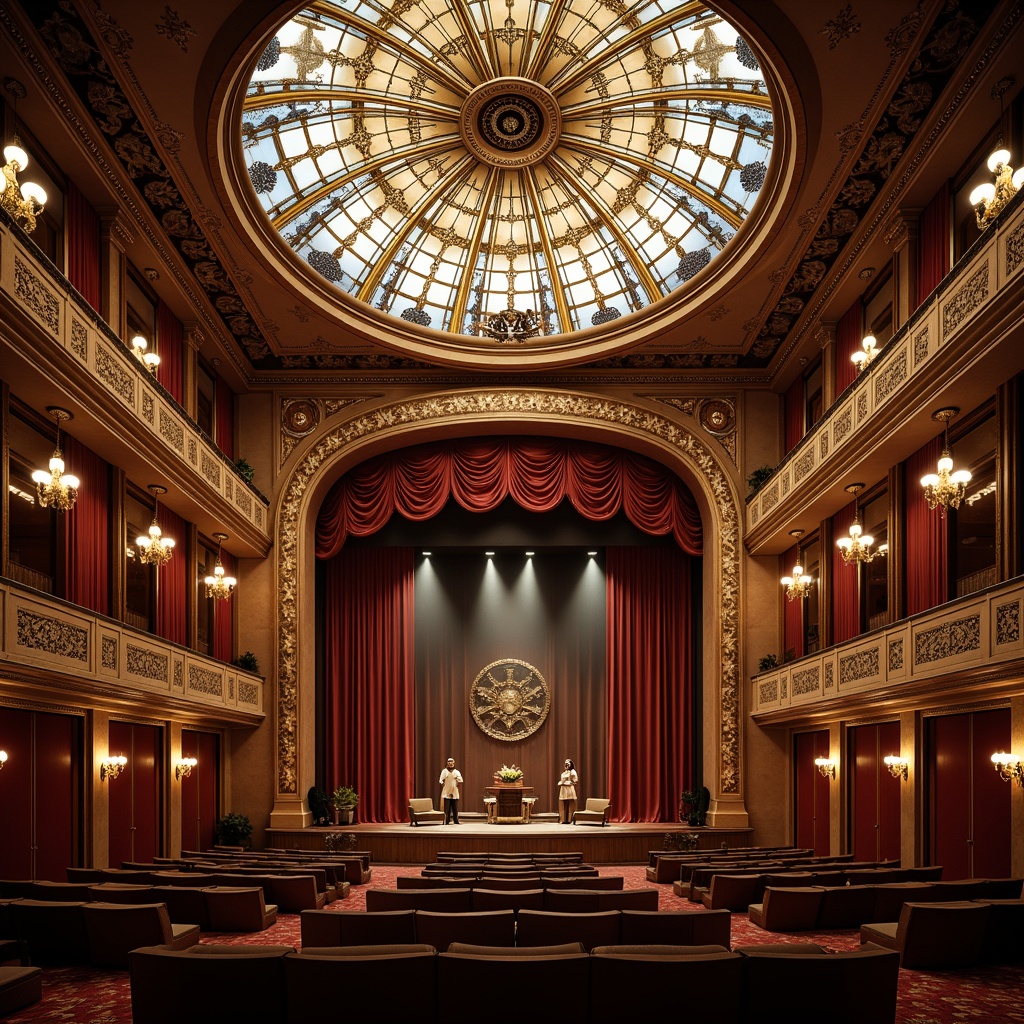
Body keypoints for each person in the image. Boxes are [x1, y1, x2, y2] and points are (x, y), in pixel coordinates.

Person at [439, 756, 463, 824]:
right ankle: (447, 821)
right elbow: (440, 780)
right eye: (449, 762)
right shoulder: (444, 771)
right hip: (447, 792)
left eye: (452, 762)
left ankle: (456, 820)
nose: (450, 763)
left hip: (454, 792)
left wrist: (458, 781)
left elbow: (461, 780)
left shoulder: (457, 772)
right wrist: (442, 783)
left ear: (454, 763)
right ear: (447, 763)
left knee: (455, 808)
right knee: (447, 808)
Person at [558, 757, 578, 823]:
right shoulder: (564, 772)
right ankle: (563, 819)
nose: (566, 764)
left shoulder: (572, 771)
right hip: (563, 789)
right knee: (563, 804)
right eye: (565, 763)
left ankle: (570, 819)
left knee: (570, 804)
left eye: (568, 763)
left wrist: (569, 782)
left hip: (569, 789)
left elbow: (575, 780)